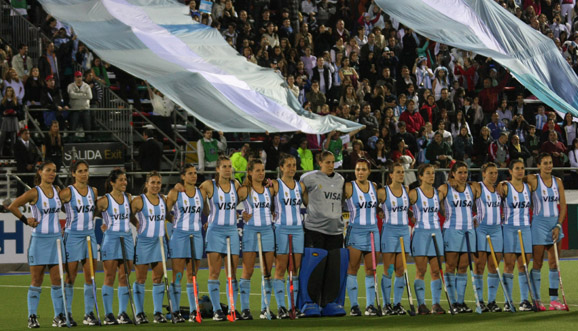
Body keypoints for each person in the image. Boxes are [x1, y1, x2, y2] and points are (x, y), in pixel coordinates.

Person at [7, 162, 65, 328]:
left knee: (56, 280)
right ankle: (32, 316)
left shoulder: (58, 191)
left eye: (54, 171)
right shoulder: (34, 192)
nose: (52, 174)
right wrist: (26, 220)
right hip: (39, 240)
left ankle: (58, 316)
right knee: (36, 280)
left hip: (56, 240)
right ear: (40, 172)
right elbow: (13, 206)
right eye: (48, 171)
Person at [299, 151, 348, 317]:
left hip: (335, 231)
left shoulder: (340, 179)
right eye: (327, 162)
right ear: (319, 162)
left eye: (333, 162)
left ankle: (330, 303)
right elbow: (299, 194)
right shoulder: (309, 177)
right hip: (315, 230)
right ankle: (308, 303)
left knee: (333, 269)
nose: (330, 165)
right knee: (314, 268)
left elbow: (341, 200)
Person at [131, 171, 176, 323]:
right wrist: (136, 224)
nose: (156, 185)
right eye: (153, 182)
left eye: (158, 183)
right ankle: (139, 312)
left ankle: (157, 313)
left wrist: (174, 219)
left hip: (160, 243)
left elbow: (167, 215)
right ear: (146, 184)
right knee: (141, 278)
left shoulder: (163, 200)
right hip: (144, 243)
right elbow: (128, 215)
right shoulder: (139, 201)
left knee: (158, 278)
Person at [199, 155, 241, 321]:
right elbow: (197, 200)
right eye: (224, 166)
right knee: (214, 272)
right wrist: (208, 217)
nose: (228, 169)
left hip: (232, 231)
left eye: (229, 166)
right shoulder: (209, 185)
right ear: (217, 169)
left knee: (232, 273)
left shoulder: (236, 184)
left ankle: (232, 308)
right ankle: (217, 310)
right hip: (215, 232)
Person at [526, 153, 568, 310]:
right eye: (545, 163)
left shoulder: (558, 181)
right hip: (539, 224)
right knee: (537, 263)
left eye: (550, 162)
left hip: (554, 224)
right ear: (539, 165)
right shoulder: (533, 179)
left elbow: (562, 205)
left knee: (554, 263)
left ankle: (554, 300)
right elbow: (515, 182)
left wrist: (558, 225)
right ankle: (537, 300)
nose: (549, 165)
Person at [59, 161, 99, 326]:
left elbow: (94, 209)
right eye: (80, 171)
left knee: (91, 276)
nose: (84, 174)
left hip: (90, 235)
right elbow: (56, 206)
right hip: (73, 236)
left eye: (86, 170)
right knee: (71, 276)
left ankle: (88, 313)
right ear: (73, 174)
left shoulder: (94, 191)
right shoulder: (67, 192)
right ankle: (66, 313)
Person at [166, 164, 207, 322]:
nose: (194, 176)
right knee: (177, 275)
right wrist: (174, 221)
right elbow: (164, 212)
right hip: (180, 236)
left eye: (195, 173)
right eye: (190, 173)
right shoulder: (175, 193)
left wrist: (208, 221)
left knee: (193, 275)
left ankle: (193, 310)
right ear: (183, 176)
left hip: (196, 235)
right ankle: (175, 311)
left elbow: (207, 211)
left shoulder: (201, 192)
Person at [438, 161, 481, 313]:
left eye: (465, 172)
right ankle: (452, 302)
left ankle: (460, 302)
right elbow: (435, 201)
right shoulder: (445, 188)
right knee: (450, 266)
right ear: (453, 174)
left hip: (469, 231)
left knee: (463, 267)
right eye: (460, 173)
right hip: (452, 230)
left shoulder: (472, 188)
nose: (463, 176)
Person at [237, 159, 276, 320]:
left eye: (262, 170)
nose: (261, 173)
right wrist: (241, 214)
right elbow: (228, 205)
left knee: (267, 271)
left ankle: (264, 308)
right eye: (257, 170)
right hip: (251, 231)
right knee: (248, 271)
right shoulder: (244, 190)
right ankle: (245, 309)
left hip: (267, 230)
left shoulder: (270, 190)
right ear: (250, 173)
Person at [96, 169, 135, 325]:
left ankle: (122, 313)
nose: (124, 182)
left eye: (125, 179)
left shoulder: (129, 197)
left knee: (125, 276)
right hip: (111, 238)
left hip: (127, 238)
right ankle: (108, 314)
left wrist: (138, 225)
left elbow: (131, 216)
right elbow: (89, 214)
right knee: (110, 277)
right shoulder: (104, 200)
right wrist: (103, 224)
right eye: (121, 180)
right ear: (112, 182)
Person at [271, 154, 306, 318]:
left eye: (294, 165)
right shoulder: (275, 185)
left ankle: (293, 306)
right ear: (282, 167)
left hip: (298, 229)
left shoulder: (301, 186)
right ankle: (281, 307)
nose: (292, 168)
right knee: (280, 268)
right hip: (281, 229)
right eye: (289, 165)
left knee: (295, 269)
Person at [344, 159, 380, 316]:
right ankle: (354, 306)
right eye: (358, 169)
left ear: (369, 171)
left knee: (371, 270)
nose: (360, 172)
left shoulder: (374, 187)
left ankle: (370, 305)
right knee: (352, 268)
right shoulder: (349, 187)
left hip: (373, 231)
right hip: (356, 230)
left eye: (363, 169)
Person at [409, 164, 447, 315]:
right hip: (420, 233)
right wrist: (411, 217)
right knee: (421, 270)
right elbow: (402, 204)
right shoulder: (414, 193)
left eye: (433, 173)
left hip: (436, 232)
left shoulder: (438, 193)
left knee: (436, 270)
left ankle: (436, 304)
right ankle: (421, 305)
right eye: (428, 173)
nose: (432, 176)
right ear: (420, 176)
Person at [498, 159, 534, 312]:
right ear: (510, 171)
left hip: (525, 228)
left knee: (524, 265)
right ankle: (508, 301)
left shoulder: (529, 187)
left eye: (522, 168)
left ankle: (524, 300)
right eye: (517, 168)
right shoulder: (505, 188)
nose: (520, 171)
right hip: (509, 228)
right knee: (509, 264)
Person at [377, 163, 411, 315]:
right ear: (390, 175)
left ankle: (397, 304)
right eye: (398, 172)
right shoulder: (384, 192)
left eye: (403, 172)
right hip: (389, 232)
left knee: (400, 269)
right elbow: (372, 204)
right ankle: (386, 304)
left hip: (404, 231)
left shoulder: (407, 190)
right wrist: (379, 210)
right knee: (388, 269)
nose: (401, 175)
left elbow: (408, 209)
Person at [470, 162, 503, 312]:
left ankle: (492, 301)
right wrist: (474, 218)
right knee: (479, 265)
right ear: (483, 174)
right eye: (490, 173)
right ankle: (480, 301)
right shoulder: (477, 187)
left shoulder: (500, 189)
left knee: (494, 266)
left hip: (496, 230)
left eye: (495, 173)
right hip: (481, 229)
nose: (493, 175)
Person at [14, 128, 40, 196]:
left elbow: (37, 156)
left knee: (32, 188)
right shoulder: (17, 145)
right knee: (20, 189)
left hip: (31, 170)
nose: (27, 135)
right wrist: (26, 165)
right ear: (21, 135)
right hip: (22, 169)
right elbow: (17, 157)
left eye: (28, 133)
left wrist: (33, 165)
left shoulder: (32, 144)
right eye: (26, 134)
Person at [67, 71, 92, 138]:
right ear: (75, 78)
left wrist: (77, 95)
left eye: (80, 77)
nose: (79, 78)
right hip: (75, 109)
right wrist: (83, 94)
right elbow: (71, 95)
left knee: (87, 128)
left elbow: (90, 96)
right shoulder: (70, 85)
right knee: (72, 128)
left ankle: (89, 142)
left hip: (85, 109)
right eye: (77, 77)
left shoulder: (86, 86)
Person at [0, 86, 23, 156]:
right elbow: (0, 110)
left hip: (13, 119)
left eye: (10, 91)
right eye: (8, 91)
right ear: (6, 92)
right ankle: (0, 150)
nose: (9, 92)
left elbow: (20, 111)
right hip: (6, 119)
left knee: (13, 137)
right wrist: (3, 113)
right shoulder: (3, 101)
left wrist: (16, 112)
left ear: (12, 92)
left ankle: (12, 151)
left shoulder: (16, 101)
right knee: (2, 136)